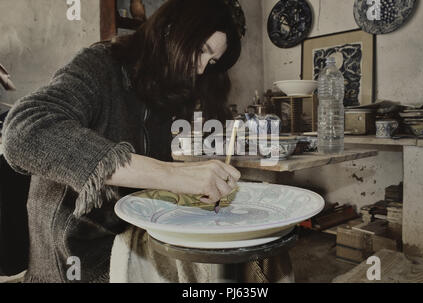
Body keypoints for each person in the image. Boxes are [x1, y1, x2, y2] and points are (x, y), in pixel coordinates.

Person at [2, 0, 243, 283]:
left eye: (211, 61)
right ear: (169, 31)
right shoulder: (101, 65)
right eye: (201, 50)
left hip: (130, 238)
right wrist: (169, 174)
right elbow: (22, 131)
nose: (201, 69)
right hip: (74, 254)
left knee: (235, 266)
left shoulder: (170, 89)